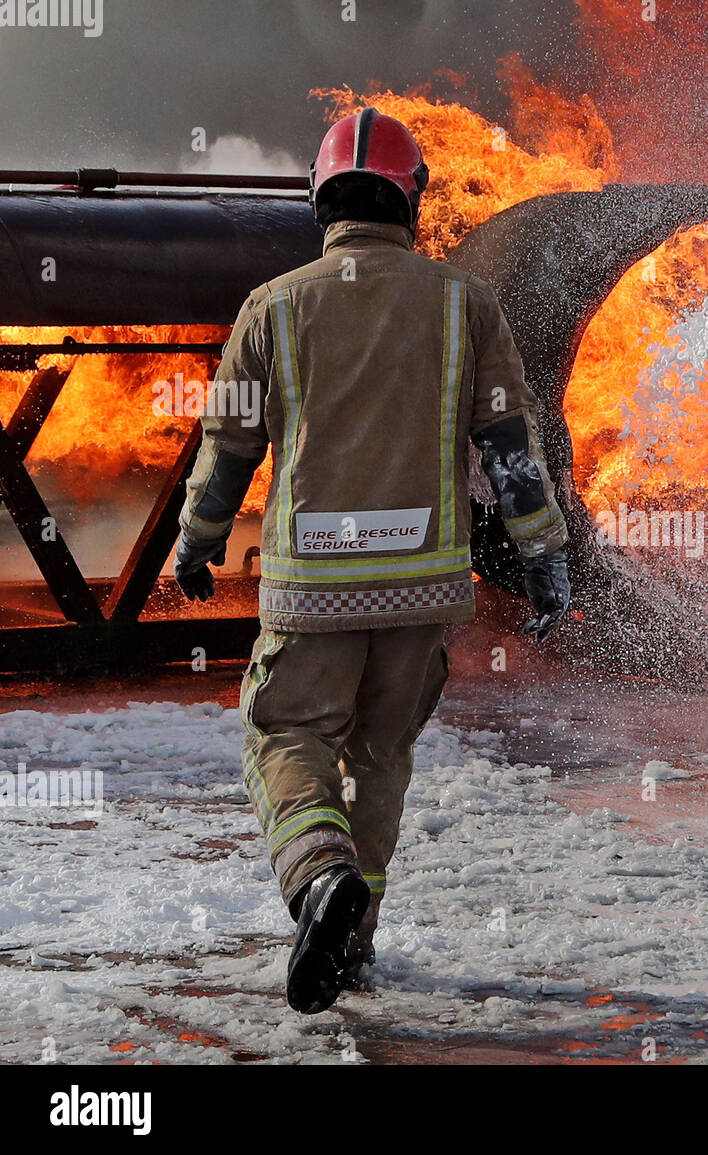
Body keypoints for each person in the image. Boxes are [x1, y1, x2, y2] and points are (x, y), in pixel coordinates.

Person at [174, 107, 570, 1014]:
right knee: (381, 756)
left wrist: (199, 541)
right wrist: (545, 559)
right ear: (412, 200)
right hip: (424, 589)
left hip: (313, 590)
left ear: (321, 199)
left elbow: (229, 445)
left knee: (285, 734)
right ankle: (353, 943)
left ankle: (318, 880)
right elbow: (510, 445)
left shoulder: (271, 306)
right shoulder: (466, 302)